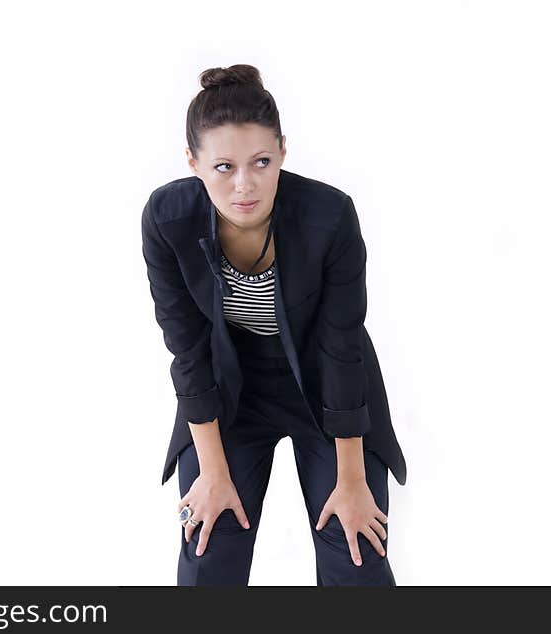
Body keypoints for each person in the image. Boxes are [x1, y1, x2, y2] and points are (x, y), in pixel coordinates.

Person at [141, 64, 407, 586]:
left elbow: (341, 346)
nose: (245, 184)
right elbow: (187, 348)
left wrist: (351, 478)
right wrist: (213, 470)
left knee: (356, 547)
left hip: (327, 386)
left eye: (261, 161)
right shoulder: (167, 218)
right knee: (208, 543)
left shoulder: (329, 218)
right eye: (223, 167)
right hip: (229, 389)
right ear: (193, 162)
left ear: (283, 151)